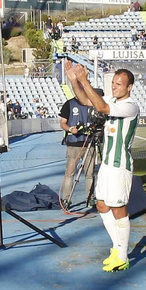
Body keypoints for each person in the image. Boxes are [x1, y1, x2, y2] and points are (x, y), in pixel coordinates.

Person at [66, 62, 139, 272]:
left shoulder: (130, 106)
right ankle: (117, 249)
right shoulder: (112, 99)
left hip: (119, 164)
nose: (114, 87)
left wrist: (85, 80)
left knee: (118, 208)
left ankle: (122, 256)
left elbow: (101, 108)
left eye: (119, 84)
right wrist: (74, 81)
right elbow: (86, 101)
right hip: (106, 164)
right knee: (102, 205)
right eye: (114, 83)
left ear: (129, 87)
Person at [58, 80, 96, 209]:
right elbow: (62, 123)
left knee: (90, 174)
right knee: (70, 174)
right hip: (73, 144)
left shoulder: (92, 103)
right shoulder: (69, 104)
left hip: (89, 144)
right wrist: (70, 129)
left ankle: (90, 198)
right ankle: (66, 199)